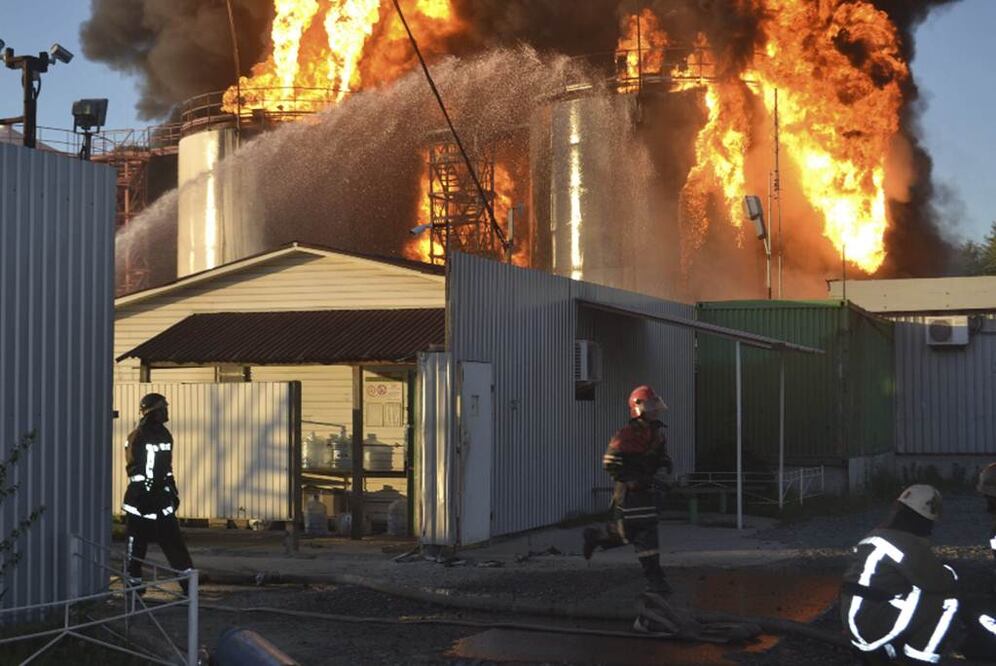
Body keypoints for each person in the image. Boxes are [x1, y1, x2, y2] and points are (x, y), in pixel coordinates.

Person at [840, 485, 961, 664]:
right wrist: (951, 571)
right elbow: (939, 582)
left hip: (855, 619)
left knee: (914, 592)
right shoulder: (906, 543)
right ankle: (919, 657)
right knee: (947, 602)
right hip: (870, 623)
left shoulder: (875, 536)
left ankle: (888, 647)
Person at [583, 385, 673, 598]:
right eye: (650, 405)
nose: (654, 409)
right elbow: (610, 462)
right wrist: (630, 480)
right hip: (630, 494)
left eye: (655, 404)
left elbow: (664, 459)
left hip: (649, 492)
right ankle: (655, 580)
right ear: (638, 408)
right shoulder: (626, 435)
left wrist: (663, 473)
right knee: (640, 535)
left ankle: (596, 537)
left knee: (635, 533)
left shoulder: (658, 434)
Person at [122, 392, 194, 596]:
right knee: (136, 545)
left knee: (174, 544)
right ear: (152, 412)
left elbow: (166, 467)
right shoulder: (138, 436)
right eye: (163, 408)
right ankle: (133, 586)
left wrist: (171, 488)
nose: (166, 412)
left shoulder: (164, 434)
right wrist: (145, 492)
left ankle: (189, 584)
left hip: (161, 500)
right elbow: (135, 469)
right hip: (140, 500)